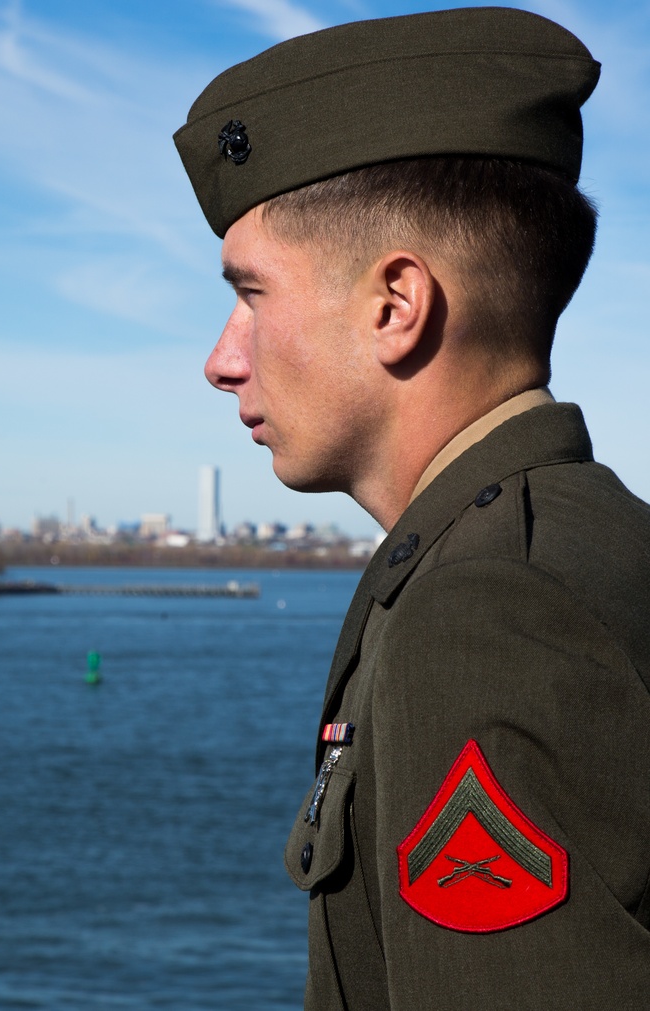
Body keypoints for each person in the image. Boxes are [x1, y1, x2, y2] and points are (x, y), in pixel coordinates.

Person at [173, 8, 650, 1008]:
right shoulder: (587, 544)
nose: (221, 360)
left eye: (251, 294)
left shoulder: (488, 609)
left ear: (396, 306)